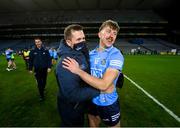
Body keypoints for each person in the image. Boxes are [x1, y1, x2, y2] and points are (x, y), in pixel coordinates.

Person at [62, 20, 124, 127]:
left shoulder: (116, 55)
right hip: (92, 100)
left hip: (108, 103)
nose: (111, 36)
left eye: (114, 33)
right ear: (99, 34)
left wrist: (78, 70)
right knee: (93, 123)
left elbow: (104, 85)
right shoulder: (91, 54)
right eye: (108, 31)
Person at [55, 24, 100, 127]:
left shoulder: (79, 52)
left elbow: (87, 69)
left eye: (83, 38)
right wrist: (100, 89)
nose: (82, 41)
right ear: (68, 42)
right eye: (78, 39)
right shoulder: (65, 63)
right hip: (71, 108)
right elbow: (72, 94)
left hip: (80, 104)